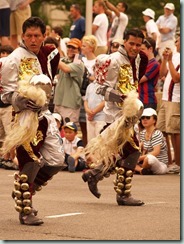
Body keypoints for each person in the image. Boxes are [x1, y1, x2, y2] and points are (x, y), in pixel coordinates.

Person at [0, 17, 66, 225]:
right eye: (29, 36)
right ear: (22, 36)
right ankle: (25, 210)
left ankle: (24, 190)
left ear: (43, 36)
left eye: (37, 35)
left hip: (45, 115)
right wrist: (20, 101)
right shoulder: (12, 59)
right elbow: (4, 94)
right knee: (30, 162)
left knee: (56, 161)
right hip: (24, 118)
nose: (33, 39)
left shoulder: (48, 54)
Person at [82, 28, 148, 206]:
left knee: (123, 153)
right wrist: (121, 98)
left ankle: (94, 174)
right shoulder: (111, 60)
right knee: (133, 152)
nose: (134, 47)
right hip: (115, 116)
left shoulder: (140, 58)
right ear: (124, 41)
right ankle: (123, 194)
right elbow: (100, 89)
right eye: (131, 43)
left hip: (129, 115)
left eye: (138, 44)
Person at [156, 33, 180, 174]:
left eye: (178, 41)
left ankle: (178, 163)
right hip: (166, 99)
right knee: (162, 129)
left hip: (176, 99)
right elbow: (162, 73)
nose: (176, 43)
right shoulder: (175, 56)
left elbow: (177, 78)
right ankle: (168, 161)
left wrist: (170, 60)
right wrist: (165, 60)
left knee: (175, 132)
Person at [53, 38, 85, 129]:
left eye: (73, 48)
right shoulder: (65, 60)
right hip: (58, 101)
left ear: (79, 51)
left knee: (69, 131)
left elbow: (66, 68)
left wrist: (54, 55)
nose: (70, 49)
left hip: (70, 104)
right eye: (69, 47)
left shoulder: (78, 62)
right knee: (56, 130)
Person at [135, 108, 168, 175]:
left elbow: (156, 152)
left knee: (149, 158)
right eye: (142, 117)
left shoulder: (157, 133)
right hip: (145, 162)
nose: (145, 119)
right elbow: (142, 150)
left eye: (148, 117)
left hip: (160, 164)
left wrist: (139, 158)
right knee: (123, 159)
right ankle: (142, 170)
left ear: (154, 120)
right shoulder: (142, 133)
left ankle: (139, 169)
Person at [79, 34, 98, 146]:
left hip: (91, 97)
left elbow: (98, 79)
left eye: (84, 46)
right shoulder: (80, 59)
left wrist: (87, 76)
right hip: (78, 96)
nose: (82, 48)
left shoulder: (97, 61)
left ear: (91, 48)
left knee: (89, 126)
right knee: (81, 127)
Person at [138, 37, 160, 110]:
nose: (140, 52)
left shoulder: (154, 64)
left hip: (148, 101)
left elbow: (139, 79)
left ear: (150, 49)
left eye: (142, 49)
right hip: (139, 100)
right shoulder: (142, 62)